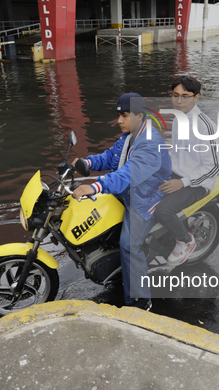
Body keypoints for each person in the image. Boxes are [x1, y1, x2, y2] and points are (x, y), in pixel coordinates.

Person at [73, 93, 171, 311]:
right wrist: (85, 162)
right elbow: (112, 158)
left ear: (139, 115)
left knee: (130, 245)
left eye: (124, 116)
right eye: (119, 115)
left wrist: (95, 185)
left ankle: (140, 300)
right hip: (126, 191)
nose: (119, 120)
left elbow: (128, 173)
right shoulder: (129, 135)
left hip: (145, 196)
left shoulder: (150, 142)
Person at [154, 76, 219, 266]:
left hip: (197, 183)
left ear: (196, 97)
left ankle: (186, 240)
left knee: (163, 211)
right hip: (177, 173)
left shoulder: (206, 127)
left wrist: (182, 182)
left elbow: (213, 167)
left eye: (185, 96)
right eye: (175, 95)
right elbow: (179, 151)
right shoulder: (180, 119)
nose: (179, 101)